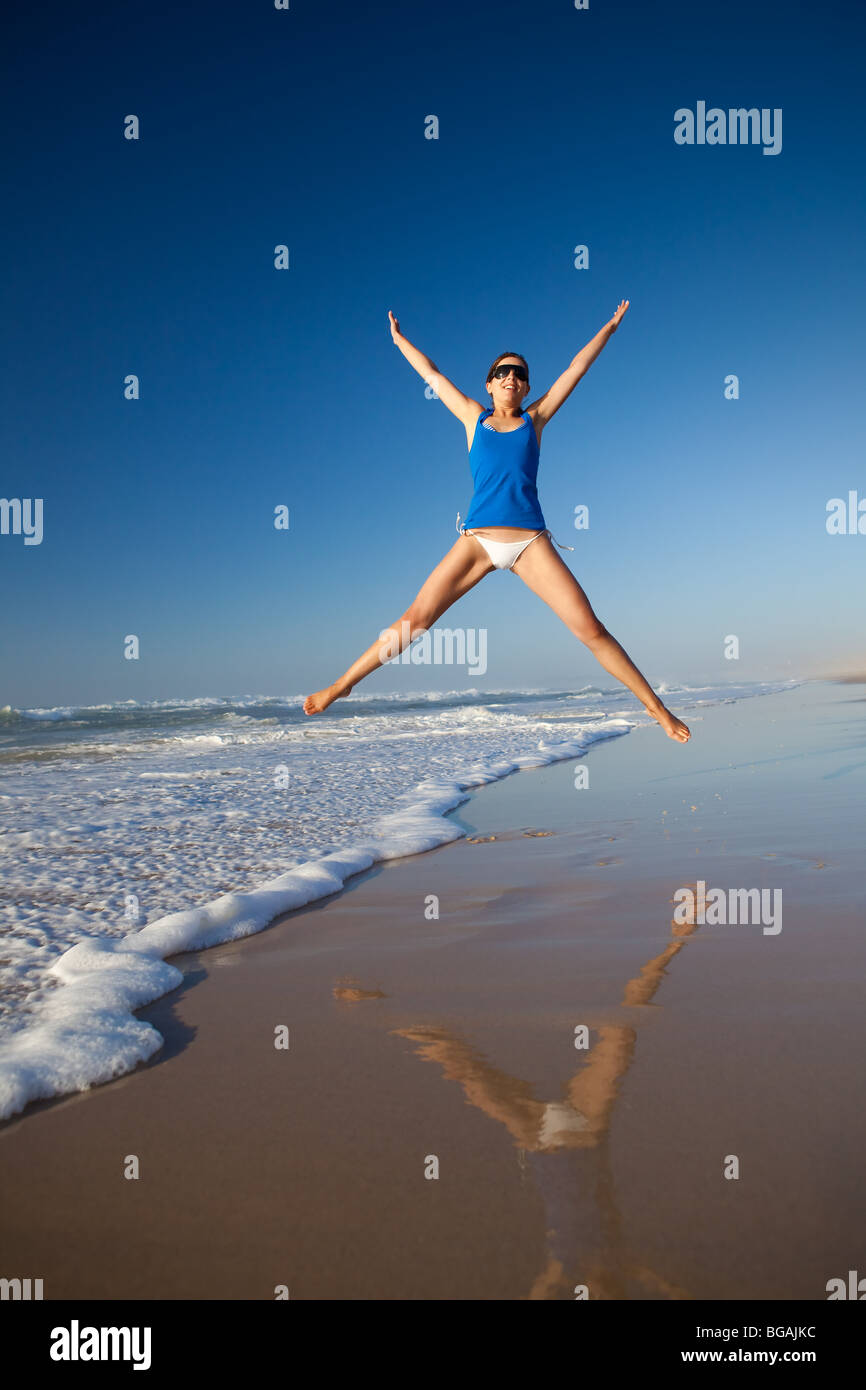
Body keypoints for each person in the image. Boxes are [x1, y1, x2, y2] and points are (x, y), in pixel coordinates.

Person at [304, 303, 690, 744]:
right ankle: (342, 684)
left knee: (592, 630)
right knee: (415, 621)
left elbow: (576, 368)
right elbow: (432, 375)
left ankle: (656, 708)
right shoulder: (473, 417)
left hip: (530, 543)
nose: (512, 377)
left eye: (520, 374)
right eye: (504, 371)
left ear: (526, 387)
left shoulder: (536, 419)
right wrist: (398, 340)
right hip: (478, 540)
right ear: (490, 384)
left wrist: (610, 327)